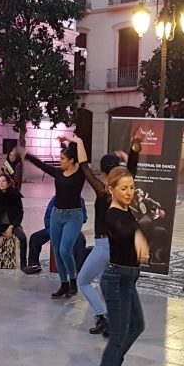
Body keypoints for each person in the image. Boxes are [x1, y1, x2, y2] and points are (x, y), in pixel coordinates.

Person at [90, 167, 150, 366]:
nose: (129, 192)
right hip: (115, 280)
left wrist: (135, 146)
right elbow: (121, 231)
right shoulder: (111, 213)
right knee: (117, 336)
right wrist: (137, 236)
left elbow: (128, 171)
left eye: (132, 187)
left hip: (128, 279)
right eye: (123, 188)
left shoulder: (127, 209)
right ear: (111, 190)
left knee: (137, 326)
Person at [78, 132, 143, 337]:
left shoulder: (103, 191)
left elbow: (84, 168)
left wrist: (79, 141)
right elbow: (132, 169)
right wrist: (135, 144)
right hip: (120, 247)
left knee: (83, 281)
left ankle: (102, 317)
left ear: (103, 171)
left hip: (105, 246)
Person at [24, 134, 94, 298]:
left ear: (71, 161)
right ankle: (63, 284)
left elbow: (83, 161)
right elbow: (41, 165)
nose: (60, 161)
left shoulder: (80, 174)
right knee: (57, 250)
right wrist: (26, 155)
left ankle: (73, 282)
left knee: (65, 251)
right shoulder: (58, 173)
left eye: (63, 158)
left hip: (73, 216)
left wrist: (78, 140)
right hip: (57, 215)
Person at [23, 196, 88, 274]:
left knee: (81, 239)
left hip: (71, 230)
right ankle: (34, 265)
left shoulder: (79, 200)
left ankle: (77, 268)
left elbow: (84, 218)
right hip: (54, 229)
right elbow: (47, 216)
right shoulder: (56, 199)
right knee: (35, 237)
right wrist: (51, 230)